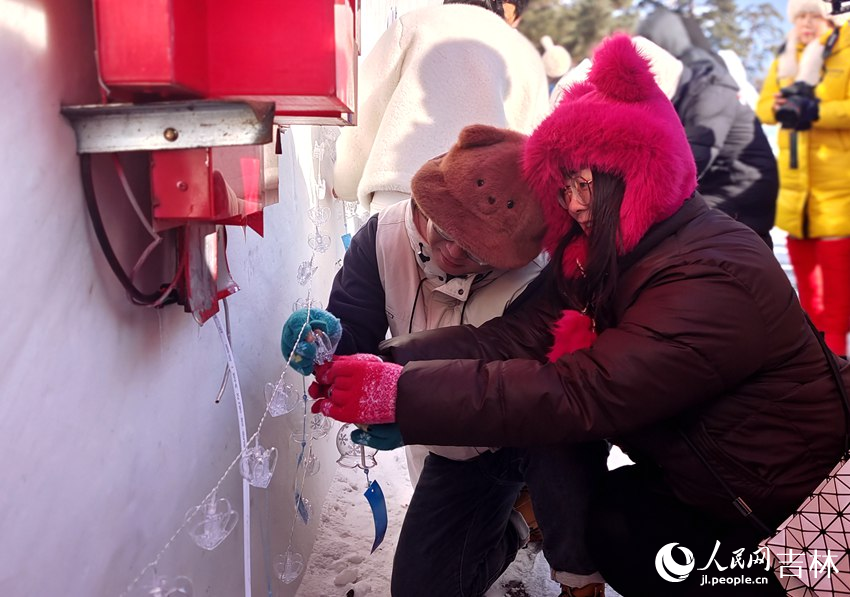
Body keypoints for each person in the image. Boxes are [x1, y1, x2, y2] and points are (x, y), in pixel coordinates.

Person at [309, 34, 849, 596]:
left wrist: (404, 395)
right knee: (616, 521)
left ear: (635, 172)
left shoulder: (710, 273)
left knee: (675, 551)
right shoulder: (605, 256)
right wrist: (387, 363)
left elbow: (578, 393)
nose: (571, 203)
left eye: (584, 183)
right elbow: (514, 339)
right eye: (563, 186)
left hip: (803, 515)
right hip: (712, 488)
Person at [300, 125, 607, 597]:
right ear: (426, 200)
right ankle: (521, 522)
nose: (454, 251)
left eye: (480, 250)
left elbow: (516, 382)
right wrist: (322, 346)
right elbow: (351, 343)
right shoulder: (382, 238)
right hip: (461, 446)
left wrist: (413, 409)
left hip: (528, 424)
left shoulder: (543, 276)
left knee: (565, 455)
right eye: (445, 229)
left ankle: (574, 565)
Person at [332, 0, 548, 215]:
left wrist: (345, 183)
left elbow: (367, 109)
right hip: (478, 216)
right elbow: (533, 152)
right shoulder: (526, 57)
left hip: (399, 191)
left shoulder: (417, 24)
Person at [635, 6, 779, 248]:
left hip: (739, 189)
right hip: (717, 184)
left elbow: (693, 158)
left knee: (663, 231)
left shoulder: (711, 87)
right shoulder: (683, 89)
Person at [756, 0, 850, 357]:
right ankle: (820, 376)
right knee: (809, 305)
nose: (807, 23)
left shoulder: (847, 52)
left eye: (813, 15)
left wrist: (816, 112)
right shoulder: (787, 60)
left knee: (836, 309)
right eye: (800, 17)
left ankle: (839, 376)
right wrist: (781, 107)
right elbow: (763, 108)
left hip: (838, 197)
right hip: (798, 202)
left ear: (829, 18)